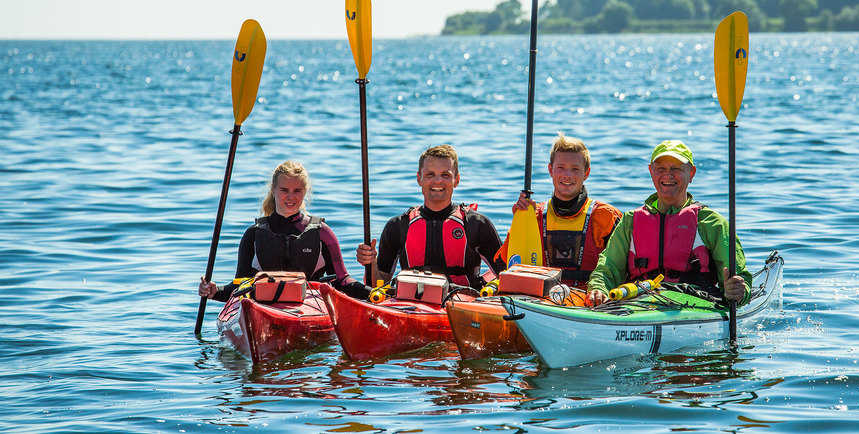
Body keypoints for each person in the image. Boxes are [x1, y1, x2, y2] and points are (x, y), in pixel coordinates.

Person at [586, 140, 752, 306]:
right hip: (638, 302)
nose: (668, 175)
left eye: (676, 168)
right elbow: (608, 268)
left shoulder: (711, 223)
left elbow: (740, 279)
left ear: (691, 173)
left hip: (696, 303)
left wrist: (737, 291)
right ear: (651, 172)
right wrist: (599, 289)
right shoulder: (630, 221)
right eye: (661, 169)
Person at [198, 160, 369, 302]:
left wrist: (373, 293)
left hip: (312, 311)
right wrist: (215, 291)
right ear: (273, 190)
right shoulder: (254, 234)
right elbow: (240, 285)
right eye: (284, 190)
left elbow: (342, 281)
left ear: (305, 192)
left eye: (297, 191)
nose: (290, 197)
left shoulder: (322, 233)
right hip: (264, 309)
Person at [356, 144, 505, 289]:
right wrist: (371, 262)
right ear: (419, 178)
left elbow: (507, 275)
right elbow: (377, 285)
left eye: (445, 175)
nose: (438, 181)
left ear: (457, 180)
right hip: (410, 302)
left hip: (463, 302)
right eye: (430, 174)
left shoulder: (476, 224)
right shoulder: (398, 226)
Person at [496, 134, 622, 287]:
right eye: (561, 168)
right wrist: (520, 222)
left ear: (586, 173)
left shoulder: (606, 217)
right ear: (551, 170)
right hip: (541, 297)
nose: (567, 175)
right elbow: (504, 265)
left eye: (575, 169)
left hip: (590, 297)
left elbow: (622, 268)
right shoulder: (534, 216)